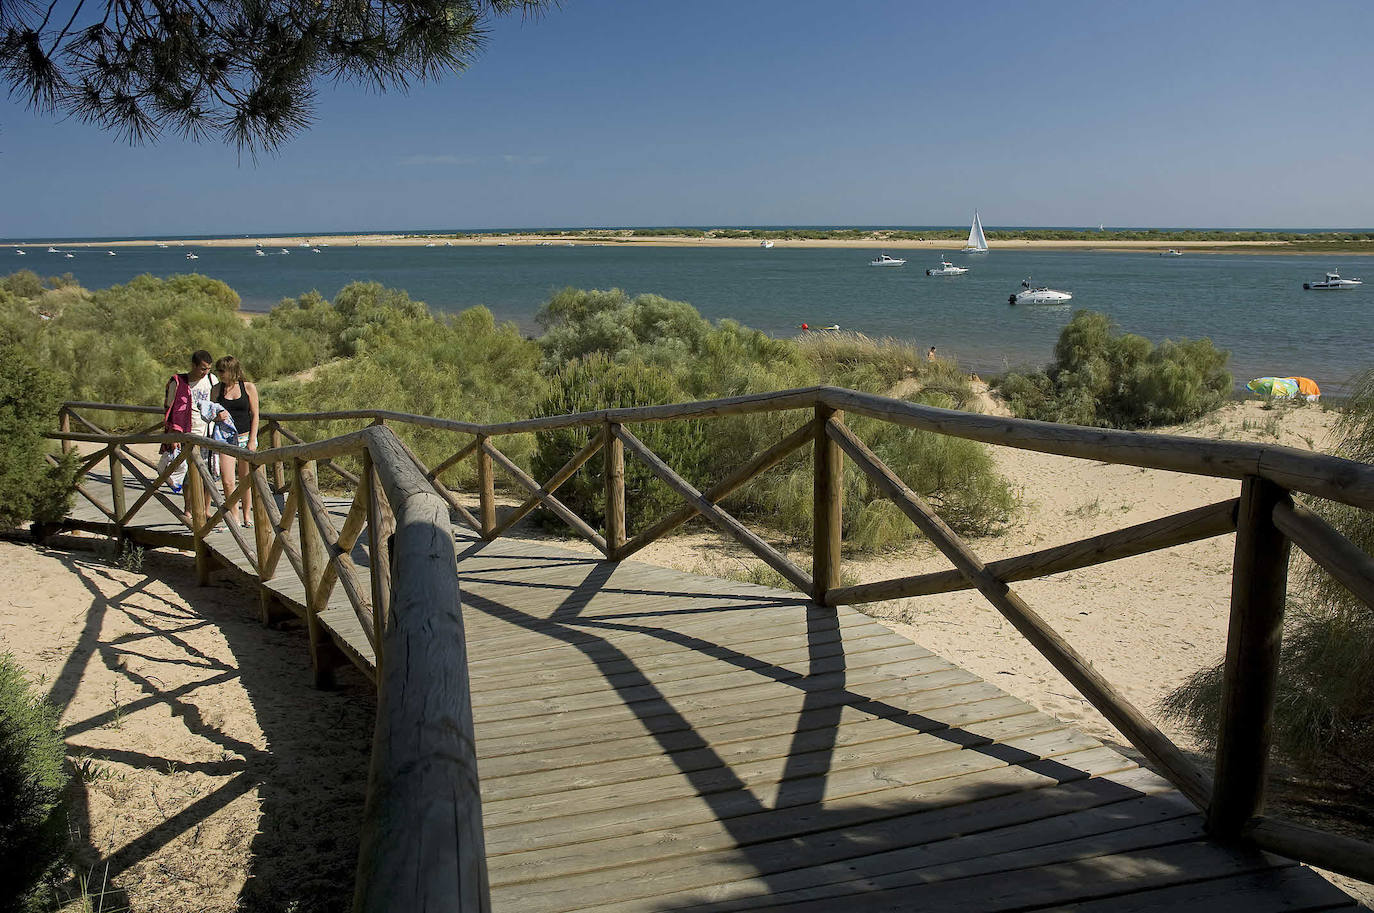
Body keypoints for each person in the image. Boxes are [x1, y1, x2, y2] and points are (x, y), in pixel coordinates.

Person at [163, 351, 217, 523]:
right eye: (202, 368)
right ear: (193, 365)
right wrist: (173, 436)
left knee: (209, 473)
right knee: (188, 475)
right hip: (187, 434)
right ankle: (188, 508)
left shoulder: (212, 380)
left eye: (208, 368)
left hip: (208, 433)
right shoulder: (178, 383)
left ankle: (206, 509)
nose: (205, 372)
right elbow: (170, 410)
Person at [212, 356, 260, 528]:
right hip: (225, 439)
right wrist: (217, 417)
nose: (219, 375)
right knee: (227, 481)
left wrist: (253, 439)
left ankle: (247, 514)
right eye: (218, 371)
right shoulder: (216, 390)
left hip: (245, 437)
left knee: (245, 479)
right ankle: (234, 516)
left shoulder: (248, 387)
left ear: (232, 371)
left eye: (222, 371)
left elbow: (255, 414)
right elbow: (210, 413)